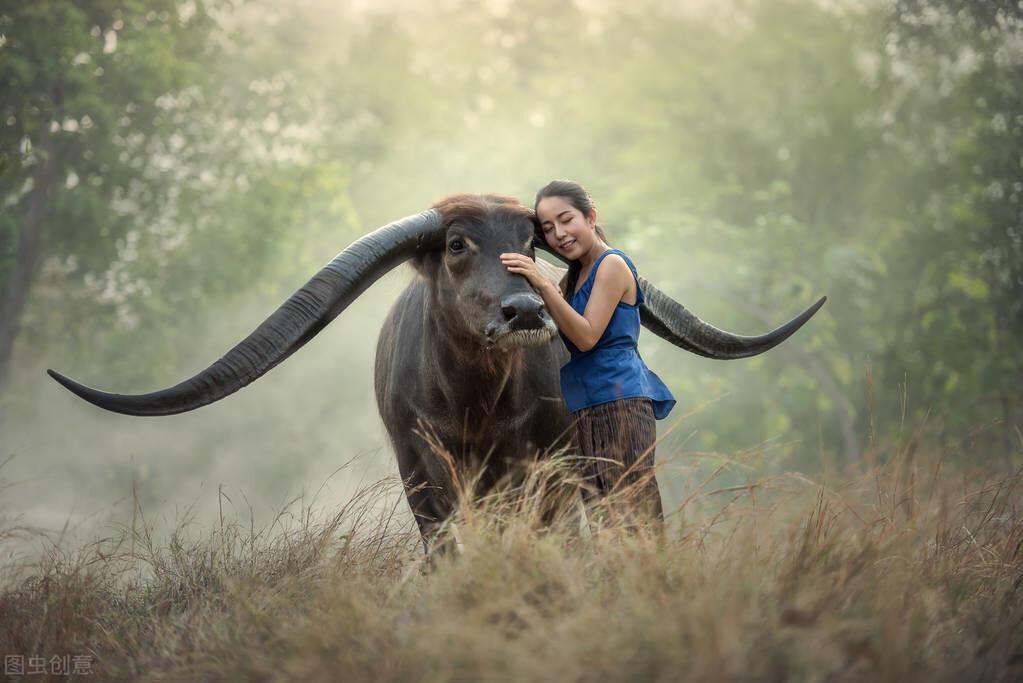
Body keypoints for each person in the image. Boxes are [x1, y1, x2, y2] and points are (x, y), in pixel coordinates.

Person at [500, 179, 676, 523]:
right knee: (601, 520)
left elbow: (586, 338)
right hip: (584, 409)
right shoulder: (573, 278)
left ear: (590, 217)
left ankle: (652, 577)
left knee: (631, 513)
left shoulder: (611, 265)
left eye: (567, 220)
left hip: (620, 402)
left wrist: (541, 284)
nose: (559, 234)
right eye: (548, 229)